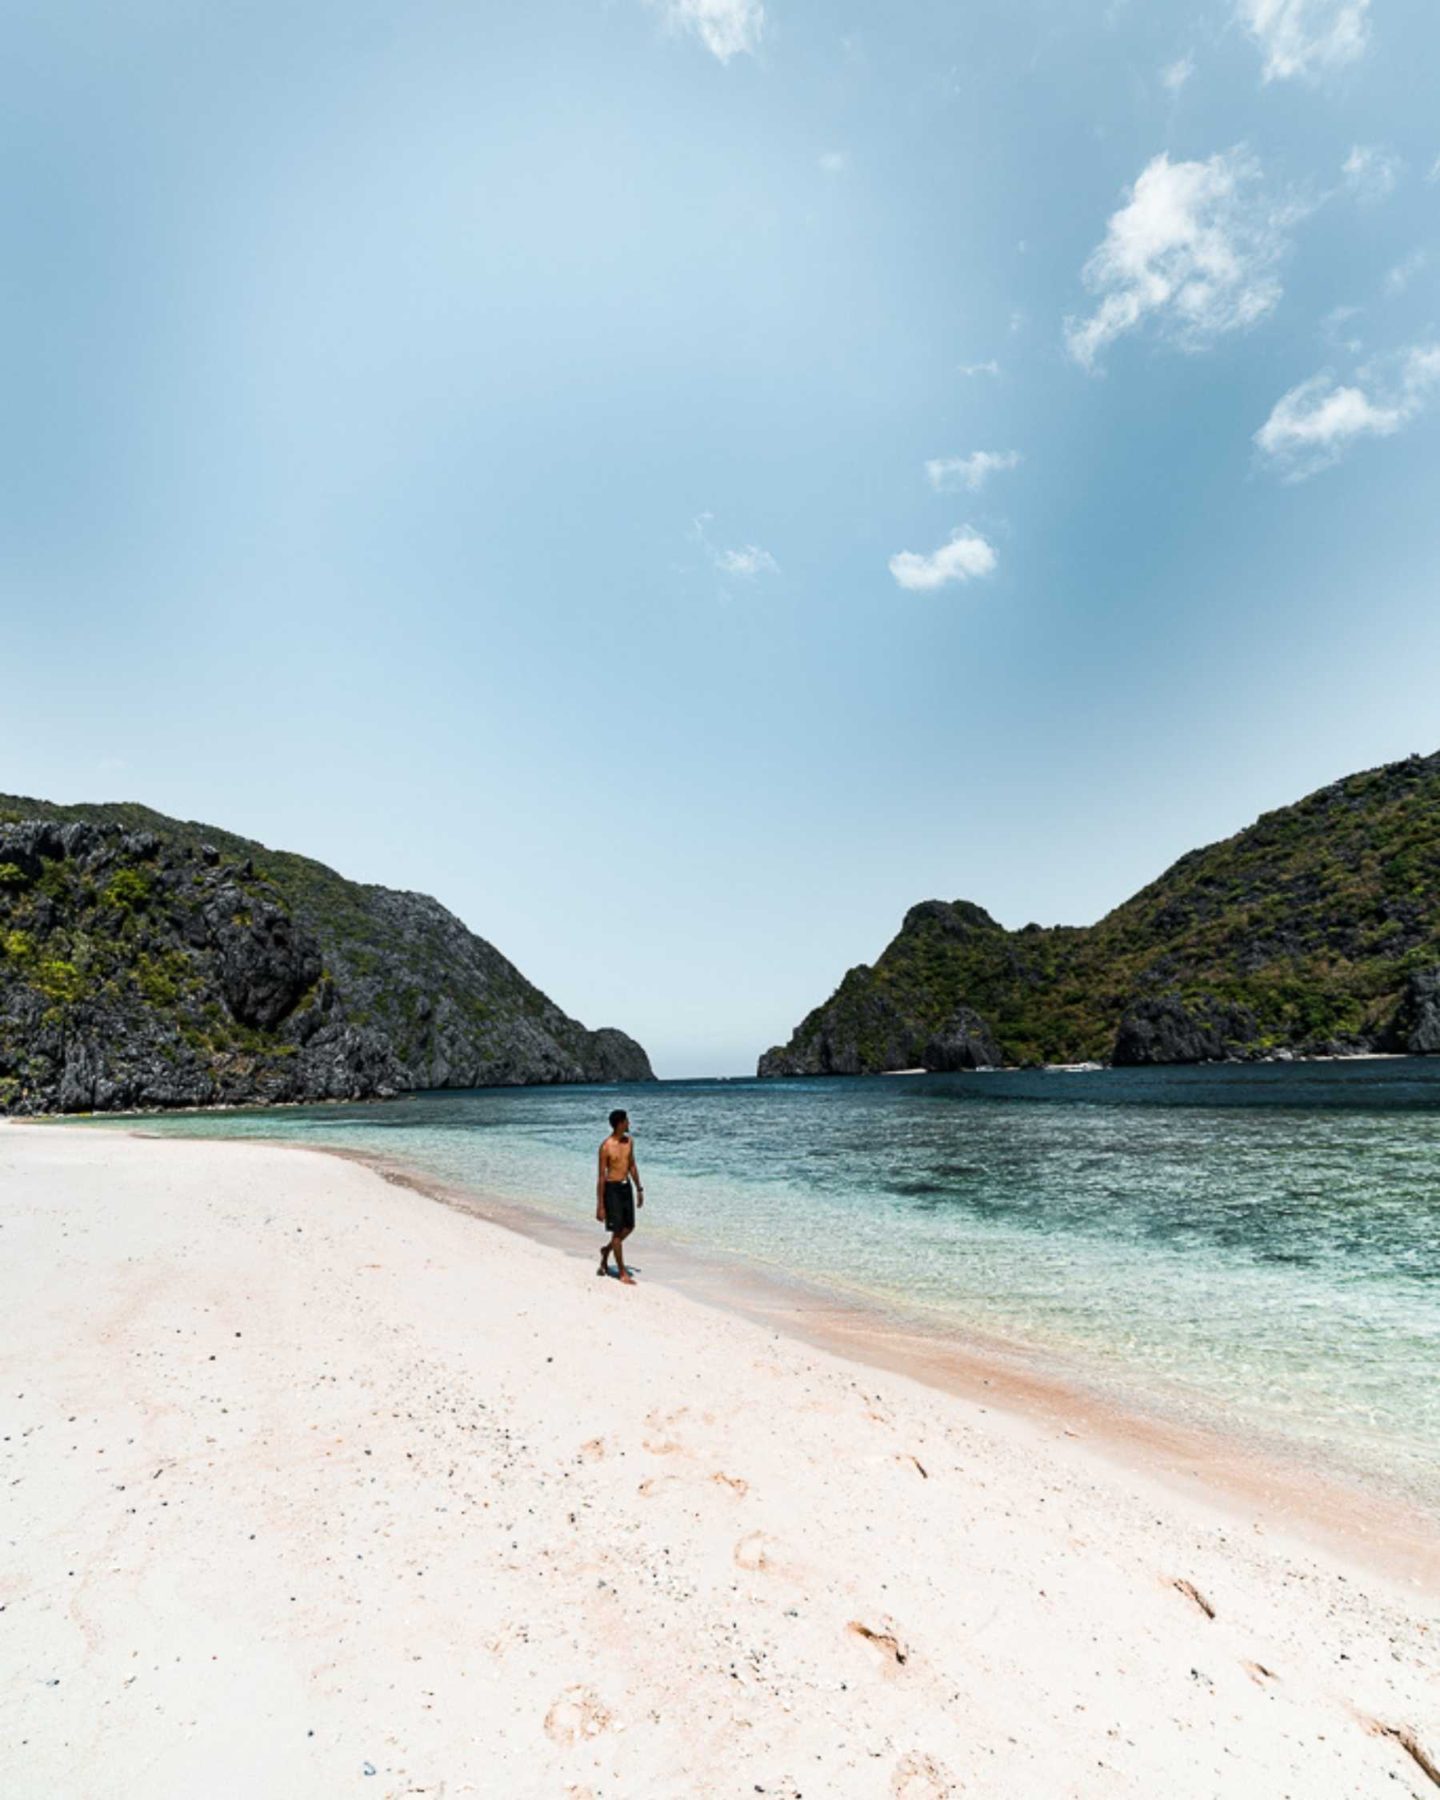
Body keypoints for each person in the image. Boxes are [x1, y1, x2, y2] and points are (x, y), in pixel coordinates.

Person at [596, 1107, 643, 1284]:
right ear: (620, 1124)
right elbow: (601, 1177)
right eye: (627, 1121)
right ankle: (622, 1272)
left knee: (629, 1227)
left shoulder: (629, 1142)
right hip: (612, 1189)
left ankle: (606, 1250)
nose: (629, 1123)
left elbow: (632, 1166)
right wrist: (600, 1205)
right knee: (617, 1232)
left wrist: (639, 1189)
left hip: (626, 1188)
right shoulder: (606, 1147)